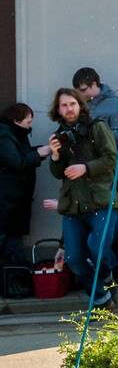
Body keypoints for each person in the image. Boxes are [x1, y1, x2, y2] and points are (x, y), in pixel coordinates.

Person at [47, 88, 118, 308]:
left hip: (100, 201)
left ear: (80, 105)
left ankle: (106, 276)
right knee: (73, 259)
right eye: (64, 105)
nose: (68, 109)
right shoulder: (59, 135)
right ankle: (100, 297)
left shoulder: (97, 127)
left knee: (97, 250)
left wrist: (85, 168)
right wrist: (56, 156)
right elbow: (59, 174)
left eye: (72, 104)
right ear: (58, 109)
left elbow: (111, 159)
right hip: (73, 206)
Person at [0, 104, 52, 266]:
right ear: (16, 121)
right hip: (7, 201)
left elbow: (21, 155)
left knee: (12, 240)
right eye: (28, 122)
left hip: (13, 201)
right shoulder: (4, 136)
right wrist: (39, 153)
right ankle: (12, 280)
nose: (30, 126)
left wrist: (42, 150)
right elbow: (17, 161)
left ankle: (13, 279)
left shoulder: (13, 133)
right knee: (9, 241)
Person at [72, 68, 118, 146]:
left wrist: (96, 135)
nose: (80, 95)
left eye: (83, 90)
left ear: (94, 84)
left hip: (105, 156)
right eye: (77, 92)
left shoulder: (113, 103)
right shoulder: (79, 103)